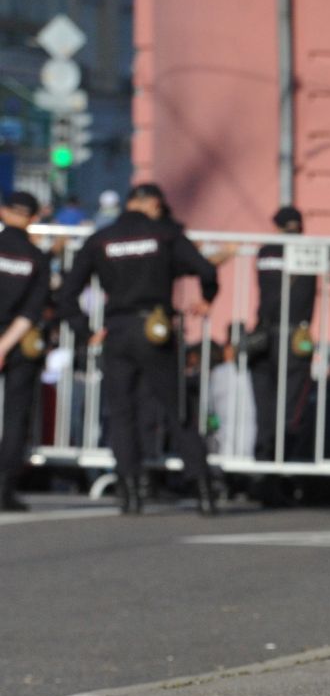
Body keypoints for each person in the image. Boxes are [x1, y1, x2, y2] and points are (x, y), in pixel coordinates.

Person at [55, 183, 220, 515]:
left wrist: (85, 331)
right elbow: (205, 269)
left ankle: (129, 492)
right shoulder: (164, 235)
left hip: (117, 330)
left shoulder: (101, 238)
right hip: (155, 329)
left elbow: (67, 293)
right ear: (152, 204)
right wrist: (206, 298)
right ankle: (203, 489)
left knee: (122, 413)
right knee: (177, 409)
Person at [248, 206, 330, 484]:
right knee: (291, 407)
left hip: (263, 338)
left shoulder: (264, 252)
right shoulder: (311, 253)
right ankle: (280, 471)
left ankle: (262, 466)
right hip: (295, 340)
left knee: (265, 407)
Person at [0, 191, 51, 512]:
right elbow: (32, 311)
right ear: (34, 218)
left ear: (3, 212)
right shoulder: (37, 258)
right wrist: (3, 345)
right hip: (17, 342)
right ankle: (3, 489)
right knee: (16, 416)